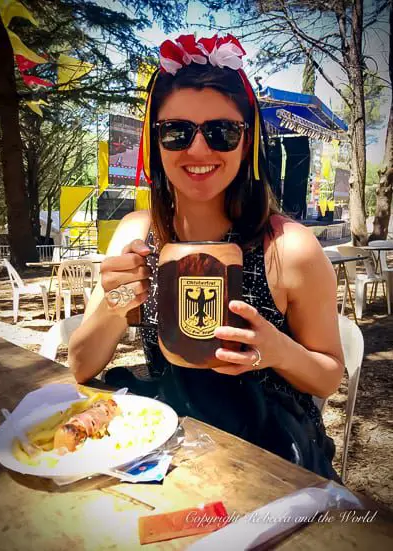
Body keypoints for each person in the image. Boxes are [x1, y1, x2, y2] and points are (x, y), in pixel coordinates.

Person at [69, 34, 344, 480]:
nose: (198, 150)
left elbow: (329, 377)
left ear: (247, 141)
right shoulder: (137, 233)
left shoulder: (289, 247)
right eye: (176, 132)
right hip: (163, 441)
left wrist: (275, 350)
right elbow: (80, 367)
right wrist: (118, 303)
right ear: (154, 143)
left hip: (272, 454)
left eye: (222, 132)